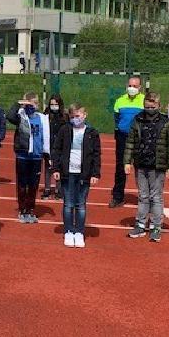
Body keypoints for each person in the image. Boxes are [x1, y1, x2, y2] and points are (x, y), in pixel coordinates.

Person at [124, 92, 169, 242]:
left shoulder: (166, 123)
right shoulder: (138, 120)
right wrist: (127, 161)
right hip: (141, 163)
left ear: (158, 106)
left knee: (156, 197)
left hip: (157, 165)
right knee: (143, 196)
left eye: (152, 107)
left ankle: (156, 227)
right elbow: (130, 141)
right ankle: (140, 224)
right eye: (147, 107)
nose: (150, 109)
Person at [51, 103, 100, 248]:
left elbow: (96, 155)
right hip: (67, 173)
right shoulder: (64, 130)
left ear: (85, 115)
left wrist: (95, 173)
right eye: (72, 117)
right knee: (68, 204)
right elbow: (57, 150)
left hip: (84, 174)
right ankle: (68, 231)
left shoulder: (92, 133)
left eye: (77, 116)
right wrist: (56, 169)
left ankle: (79, 232)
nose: (75, 119)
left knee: (81, 205)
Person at [5, 92, 50, 223]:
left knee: (33, 185)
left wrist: (47, 154)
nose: (31, 106)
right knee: (22, 184)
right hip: (23, 156)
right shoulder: (21, 117)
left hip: (36, 157)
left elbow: (45, 137)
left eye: (34, 103)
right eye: (28, 103)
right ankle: (22, 209)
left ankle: (30, 209)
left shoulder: (42, 118)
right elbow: (10, 116)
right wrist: (19, 104)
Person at [110, 75, 145, 207]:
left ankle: (143, 196)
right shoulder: (120, 101)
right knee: (121, 167)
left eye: (135, 86)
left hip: (139, 138)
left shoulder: (144, 100)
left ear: (140, 88)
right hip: (123, 136)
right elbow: (117, 118)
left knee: (140, 166)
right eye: (130, 86)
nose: (132, 88)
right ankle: (118, 196)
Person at [42, 94, 67, 199]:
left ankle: (59, 189)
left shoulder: (64, 116)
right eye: (52, 104)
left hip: (60, 145)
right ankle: (47, 188)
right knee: (48, 167)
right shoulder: (46, 115)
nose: (53, 106)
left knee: (59, 167)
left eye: (56, 104)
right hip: (49, 144)